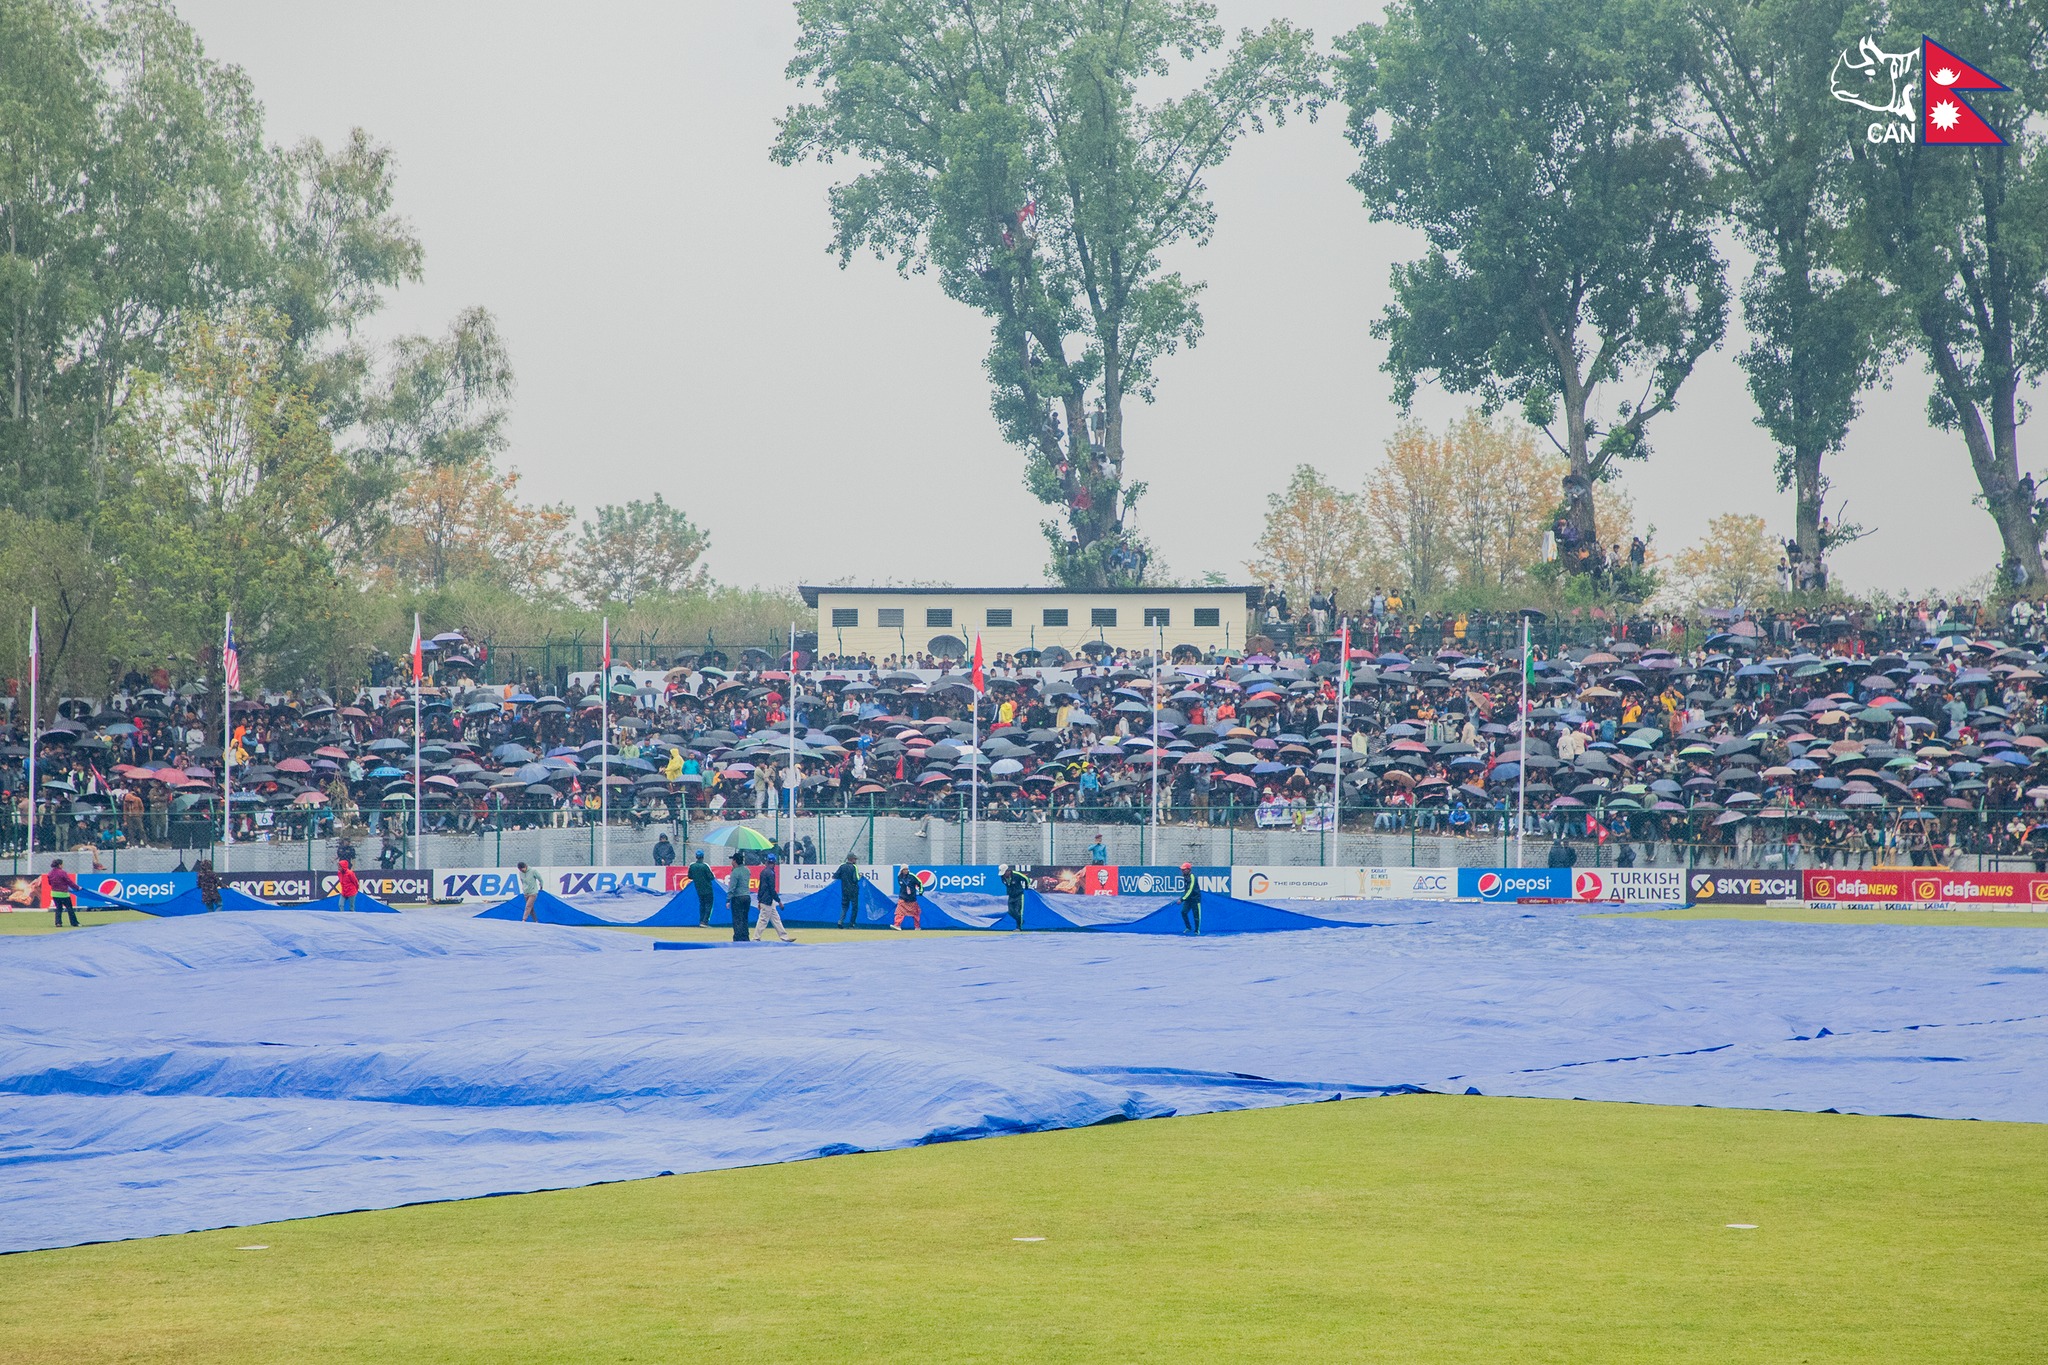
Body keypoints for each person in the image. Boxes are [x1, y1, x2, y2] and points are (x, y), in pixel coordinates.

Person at [754, 852, 794, 943]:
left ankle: (784, 937)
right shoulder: (771, 873)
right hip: (768, 900)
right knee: (763, 920)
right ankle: (756, 938)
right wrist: (779, 901)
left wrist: (759, 900)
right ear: (774, 863)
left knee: (776, 919)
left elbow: (761, 887)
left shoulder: (763, 872)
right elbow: (771, 889)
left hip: (765, 899)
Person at [726, 855, 753, 942]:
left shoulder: (735, 872)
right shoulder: (747, 870)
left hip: (738, 897)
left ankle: (738, 938)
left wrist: (728, 899)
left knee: (737, 919)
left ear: (735, 861)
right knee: (744, 918)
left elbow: (732, 887)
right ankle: (745, 936)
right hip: (747, 896)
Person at [46, 858, 80, 928]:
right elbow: (69, 882)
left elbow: (50, 883)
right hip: (63, 893)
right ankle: (74, 923)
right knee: (69, 909)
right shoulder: (62, 873)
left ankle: (58, 923)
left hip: (54, 893)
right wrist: (77, 887)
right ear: (59, 865)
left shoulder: (50, 873)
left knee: (58, 908)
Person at [687, 850, 716, 926]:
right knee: (708, 905)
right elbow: (711, 877)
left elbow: (690, 876)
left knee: (702, 905)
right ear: (703, 857)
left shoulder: (692, 866)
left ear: (696, 857)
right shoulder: (705, 866)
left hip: (698, 889)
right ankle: (705, 921)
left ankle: (701, 920)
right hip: (708, 889)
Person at [835, 852, 863, 928]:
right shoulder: (854, 867)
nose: (855, 861)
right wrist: (860, 876)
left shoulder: (842, 866)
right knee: (854, 907)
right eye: (855, 859)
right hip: (853, 890)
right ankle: (852, 924)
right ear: (852, 859)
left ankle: (840, 921)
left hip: (844, 890)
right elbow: (856, 879)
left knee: (844, 906)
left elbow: (835, 876)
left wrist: (844, 878)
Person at [893, 865, 923, 931]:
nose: (906, 871)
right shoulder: (899, 877)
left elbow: (920, 883)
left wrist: (921, 891)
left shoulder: (912, 876)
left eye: (907, 869)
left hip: (912, 899)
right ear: (901, 870)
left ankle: (917, 927)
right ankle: (897, 925)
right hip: (903, 898)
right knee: (899, 912)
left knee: (915, 914)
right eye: (904, 869)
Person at [1000, 864, 1029, 931]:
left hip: (1019, 895)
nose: (1003, 875)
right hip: (1011, 896)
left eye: (1004, 873)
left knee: (1018, 911)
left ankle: (1019, 927)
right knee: (1010, 911)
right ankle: (1020, 920)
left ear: (1008, 871)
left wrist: (1026, 886)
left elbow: (1026, 879)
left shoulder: (1016, 875)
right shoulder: (1002, 877)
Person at [1177, 861, 1201, 935]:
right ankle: (1188, 927)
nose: (1182, 871)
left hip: (1195, 899)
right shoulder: (1185, 877)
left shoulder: (1192, 877)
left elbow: (1190, 890)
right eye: (1182, 870)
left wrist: (1182, 899)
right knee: (1183, 912)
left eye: (1184, 869)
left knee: (1196, 916)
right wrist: (1184, 898)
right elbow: (1187, 890)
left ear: (1188, 870)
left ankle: (1197, 930)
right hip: (1188, 899)